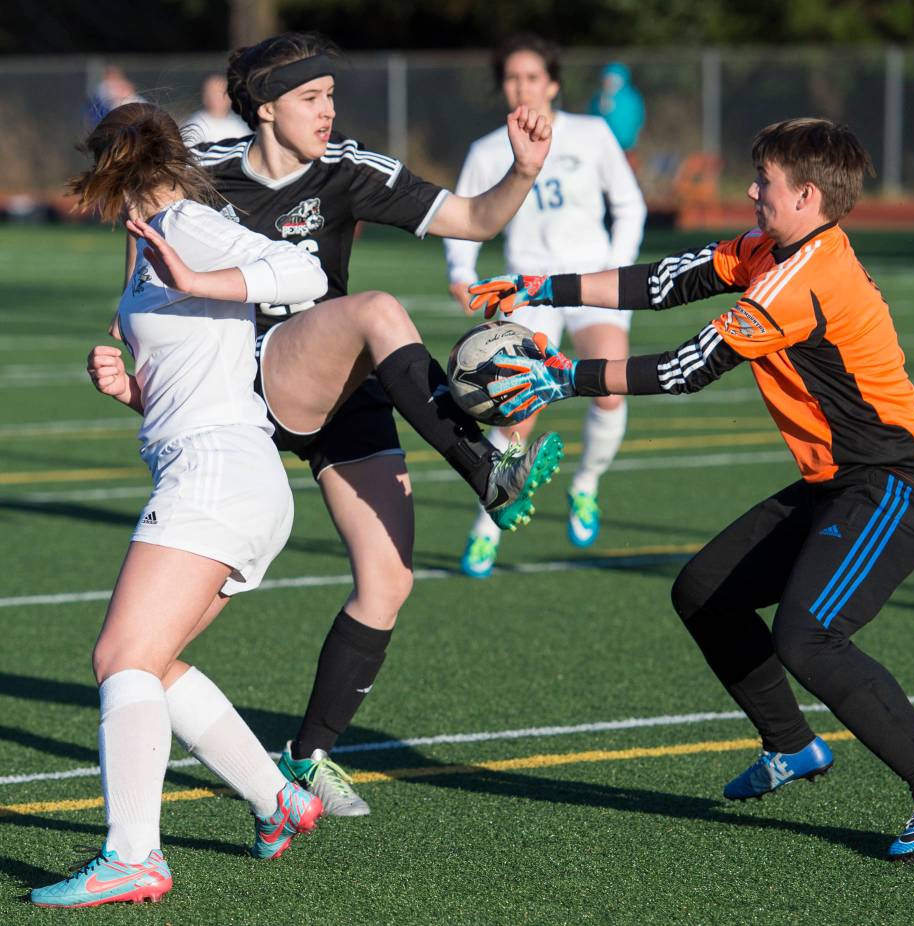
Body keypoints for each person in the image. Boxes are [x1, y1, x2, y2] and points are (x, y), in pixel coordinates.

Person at [468, 118, 914, 861]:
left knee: (808, 635)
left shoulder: (803, 278)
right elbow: (667, 279)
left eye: (764, 181)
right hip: (835, 483)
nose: (749, 190)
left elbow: (685, 369)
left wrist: (562, 377)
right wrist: (543, 286)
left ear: (806, 196)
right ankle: (792, 744)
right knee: (704, 591)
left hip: (895, 485)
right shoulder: (771, 250)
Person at [87, 32, 563, 820]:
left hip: (334, 380)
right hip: (252, 379)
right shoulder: (205, 182)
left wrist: (523, 172)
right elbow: (143, 283)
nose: (329, 110)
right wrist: (133, 375)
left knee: (389, 581)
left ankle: (303, 761)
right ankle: (488, 468)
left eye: (332, 96)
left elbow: (476, 219)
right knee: (377, 308)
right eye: (312, 98)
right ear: (266, 108)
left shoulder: (350, 168)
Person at [33, 103, 327, 909]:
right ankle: (279, 799)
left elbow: (307, 275)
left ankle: (135, 857)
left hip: (217, 472)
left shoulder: (187, 223)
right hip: (218, 469)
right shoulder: (146, 241)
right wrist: (133, 389)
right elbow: (194, 375)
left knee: (120, 658)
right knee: (152, 664)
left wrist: (201, 279)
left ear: (119, 165)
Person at [445, 34, 646, 578]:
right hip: (526, 290)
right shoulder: (489, 149)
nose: (522, 87)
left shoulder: (591, 133)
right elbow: (463, 218)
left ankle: (586, 484)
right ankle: (489, 523)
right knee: (516, 413)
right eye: (513, 78)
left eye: (533, 77)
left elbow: (629, 205)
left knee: (608, 389)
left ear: (553, 84)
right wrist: (461, 273)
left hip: (593, 284)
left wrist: (618, 275)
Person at [588, 62, 645, 164]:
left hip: (626, 147)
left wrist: (632, 140)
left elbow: (638, 118)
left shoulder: (631, 98)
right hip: (603, 146)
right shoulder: (598, 98)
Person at [181, 73, 249, 145]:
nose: (216, 98)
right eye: (212, 93)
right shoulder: (195, 124)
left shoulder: (240, 125)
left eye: (221, 93)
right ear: (205, 97)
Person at [85, 65, 145, 129]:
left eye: (115, 74)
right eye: (111, 74)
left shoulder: (124, 87)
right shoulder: (103, 87)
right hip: (116, 116)